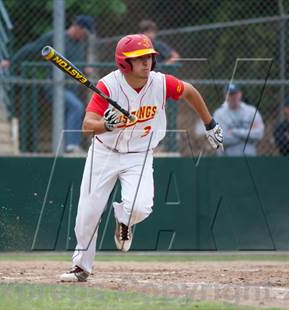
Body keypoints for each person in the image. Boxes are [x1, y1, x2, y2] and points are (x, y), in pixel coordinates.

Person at [60, 34, 223, 282]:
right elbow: (86, 126)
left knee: (140, 207)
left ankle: (123, 220)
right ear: (124, 63)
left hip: (139, 154)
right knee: (88, 215)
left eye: (149, 57)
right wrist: (107, 124)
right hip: (104, 153)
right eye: (139, 58)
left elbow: (189, 91)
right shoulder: (107, 86)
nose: (146, 62)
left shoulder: (161, 83)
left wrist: (209, 123)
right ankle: (82, 266)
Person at [0, 15, 95, 153]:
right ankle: (72, 146)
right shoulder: (55, 37)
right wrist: (11, 60)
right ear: (77, 27)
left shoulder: (80, 44)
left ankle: (65, 148)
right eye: (84, 32)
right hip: (54, 86)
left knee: (75, 110)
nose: (84, 36)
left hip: (71, 88)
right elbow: (32, 49)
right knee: (76, 106)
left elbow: (75, 64)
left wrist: (85, 68)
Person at [213, 83, 264, 156]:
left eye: (235, 93)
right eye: (230, 94)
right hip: (227, 158)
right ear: (225, 96)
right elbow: (219, 138)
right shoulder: (219, 114)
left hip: (249, 157)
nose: (233, 97)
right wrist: (247, 135)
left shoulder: (251, 111)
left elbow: (259, 134)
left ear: (240, 94)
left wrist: (234, 132)